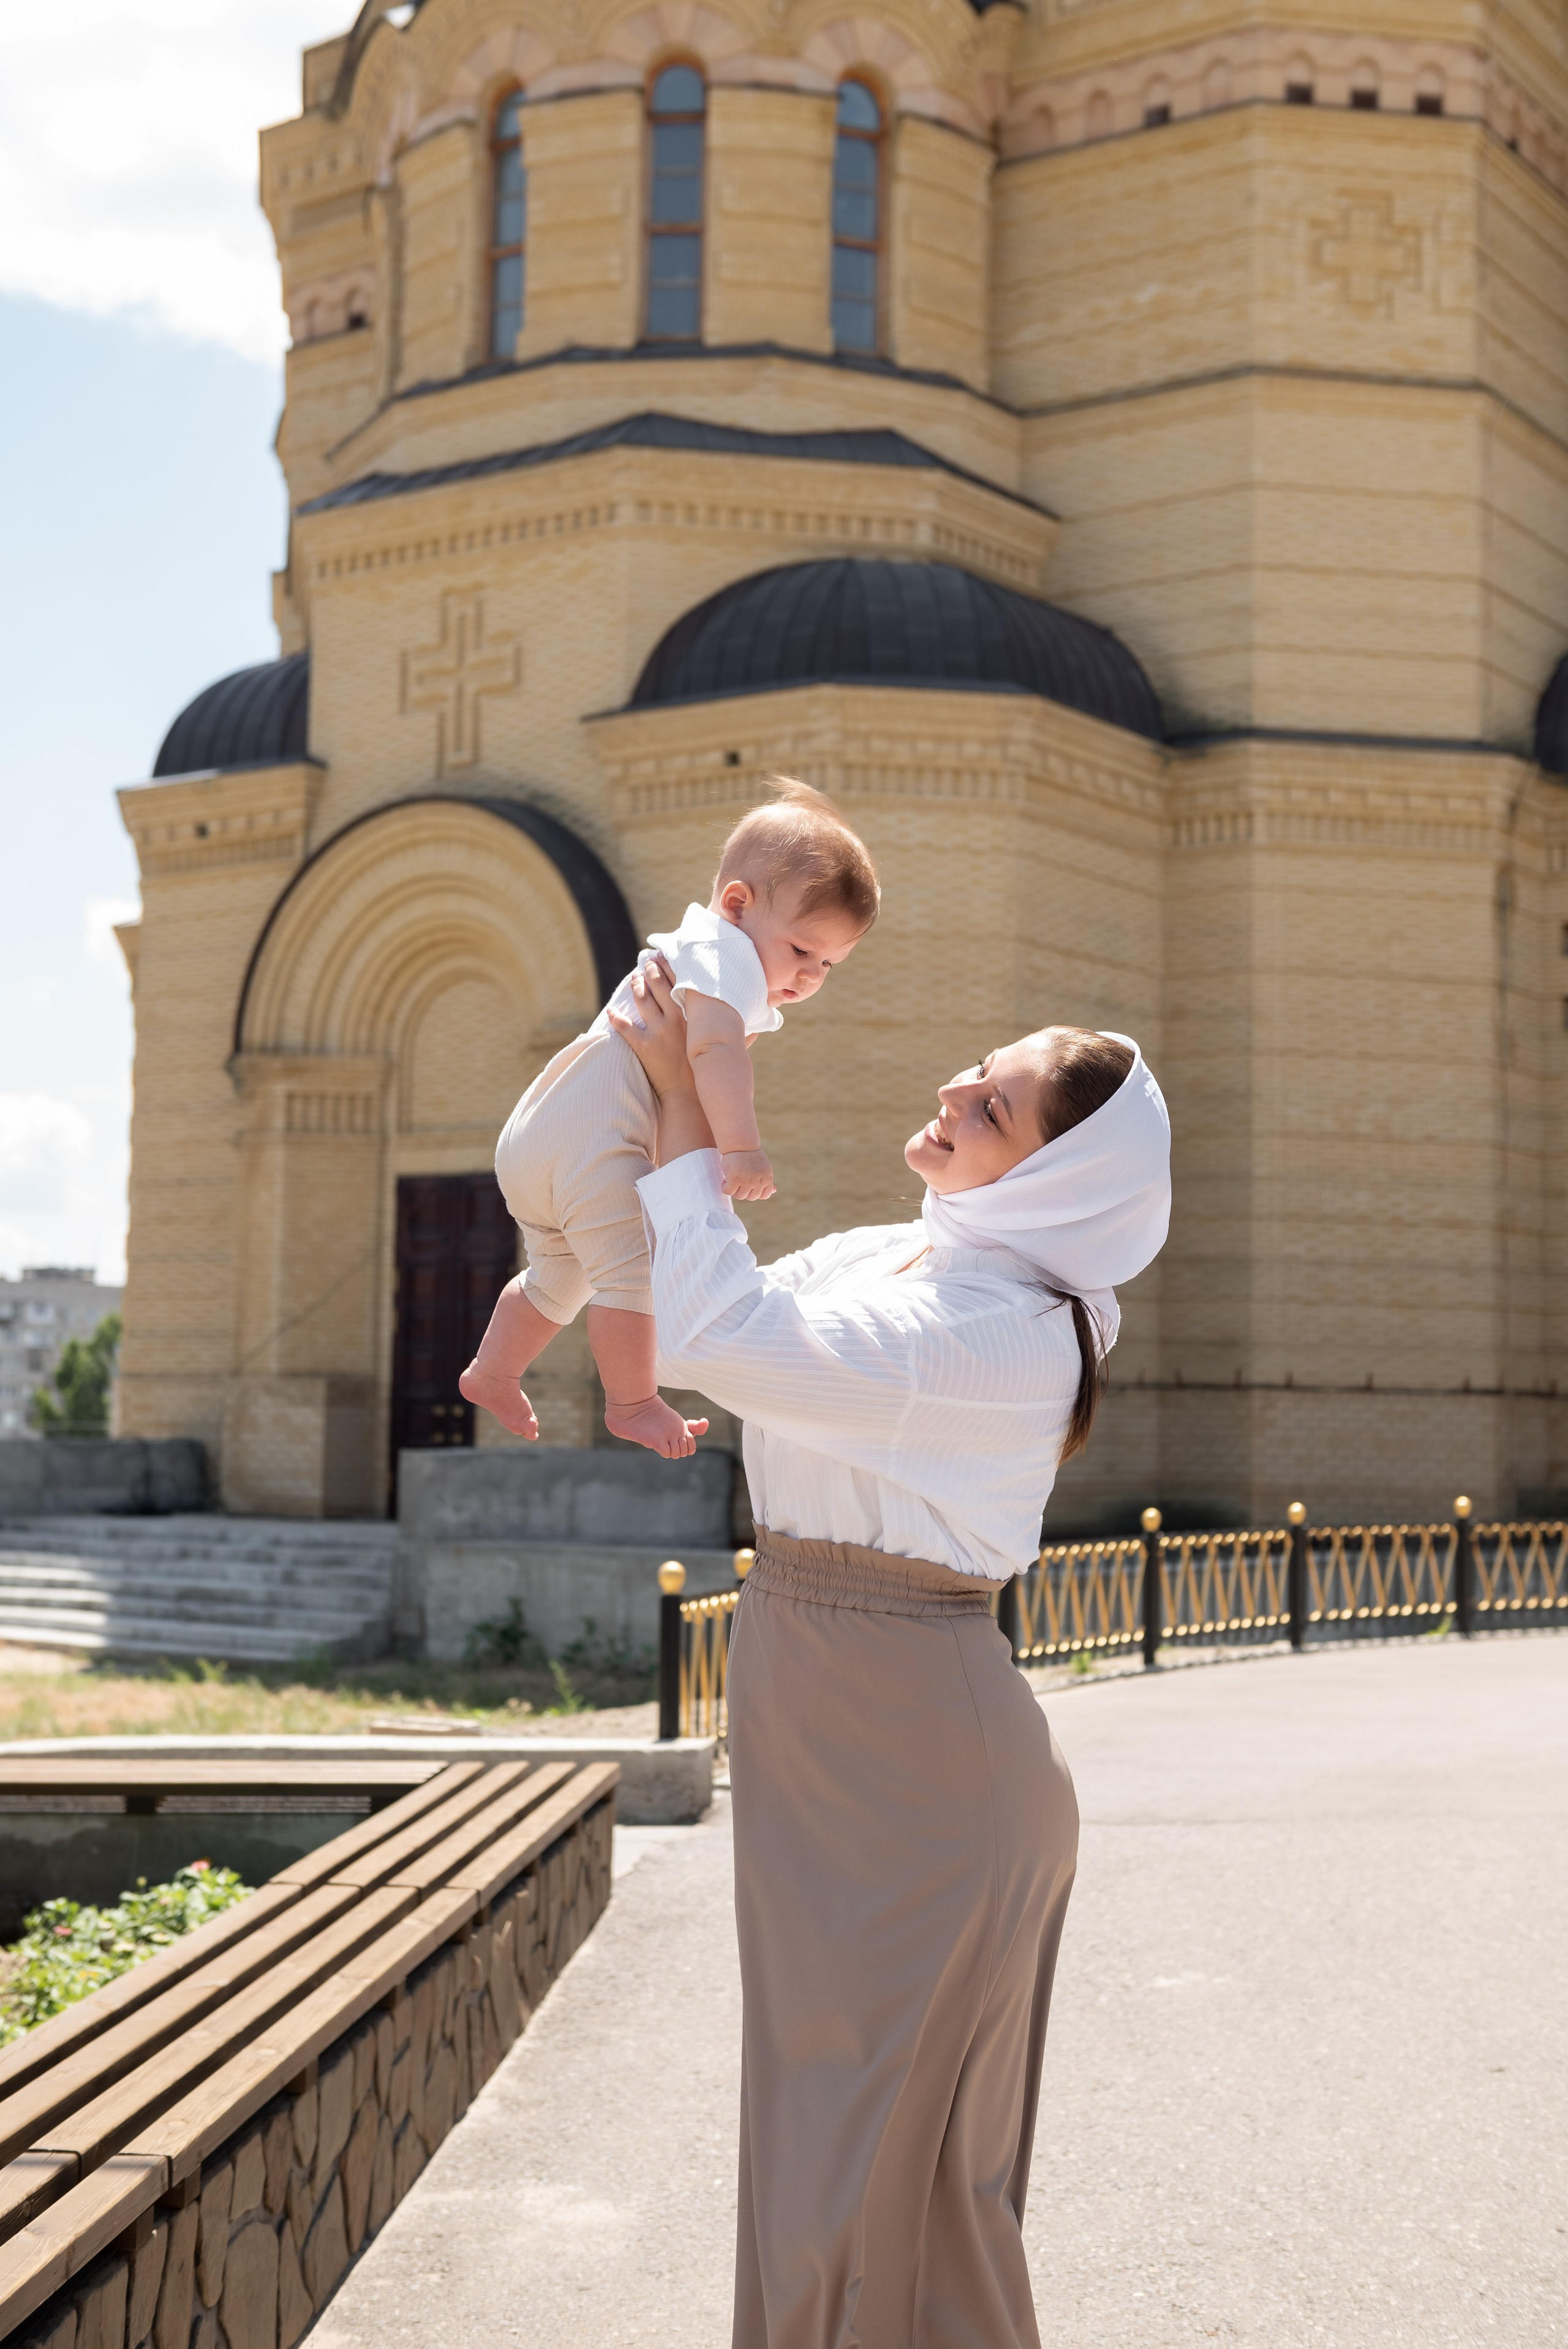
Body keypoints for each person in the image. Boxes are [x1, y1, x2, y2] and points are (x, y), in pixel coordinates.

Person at [609, 968, 1171, 2349]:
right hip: (839, 1711)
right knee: (842, 2161)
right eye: (972, 1067)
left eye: (989, 1107)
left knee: (859, 2174)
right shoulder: (896, 1261)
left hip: (917, 1761)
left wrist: (694, 1091)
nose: (948, 1095)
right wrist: (660, 1076)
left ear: (1052, 1182)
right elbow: (693, 1308)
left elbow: (708, 1331)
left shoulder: (990, 1334)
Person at [459, 780, 879, 1457]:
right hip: (592, 1137)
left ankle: (493, 1371)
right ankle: (632, 1402)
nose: (808, 977)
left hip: (543, 1136)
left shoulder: (707, 947)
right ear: (737, 904)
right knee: (635, 1269)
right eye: (801, 950)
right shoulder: (728, 956)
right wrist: (740, 1148)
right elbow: (712, 1051)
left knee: (560, 1277)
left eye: (829, 964)